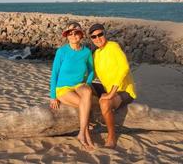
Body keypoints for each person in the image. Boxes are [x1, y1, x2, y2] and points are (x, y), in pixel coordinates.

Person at [88, 23, 137, 148]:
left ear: (105, 34)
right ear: (91, 39)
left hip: (124, 90)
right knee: (84, 90)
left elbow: (124, 68)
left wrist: (111, 93)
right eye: (94, 37)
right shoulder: (96, 54)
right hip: (108, 89)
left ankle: (111, 137)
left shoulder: (113, 46)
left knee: (105, 103)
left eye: (100, 34)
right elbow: (93, 76)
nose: (97, 38)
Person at [50, 21, 94, 150]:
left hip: (79, 85)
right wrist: (53, 96)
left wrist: (88, 84)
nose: (73, 35)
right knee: (84, 104)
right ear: (67, 35)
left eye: (76, 33)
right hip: (63, 88)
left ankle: (82, 133)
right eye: (70, 33)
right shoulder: (62, 51)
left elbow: (91, 71)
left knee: (87, 92)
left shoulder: (86, 52)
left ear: (81, 35)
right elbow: (55, 73)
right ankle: (85, 133)